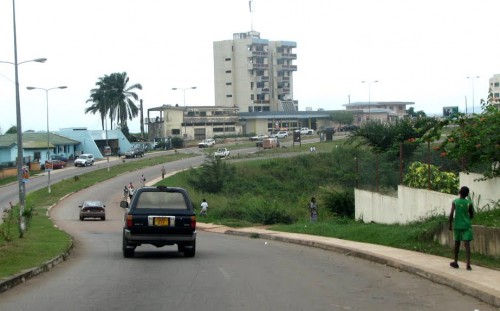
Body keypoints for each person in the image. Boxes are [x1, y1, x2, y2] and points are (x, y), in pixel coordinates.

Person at [449, 186, 474, 270]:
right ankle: (468, 264)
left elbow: (451, 214)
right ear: (467, 194)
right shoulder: (469, 203)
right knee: (467, 245)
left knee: (457, 244)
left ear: (459, 192)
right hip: (466, 225)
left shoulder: (455, 202)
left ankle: (455, 262)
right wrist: (467, 219)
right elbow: (471, 215)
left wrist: (450, 224)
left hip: (457, 225)